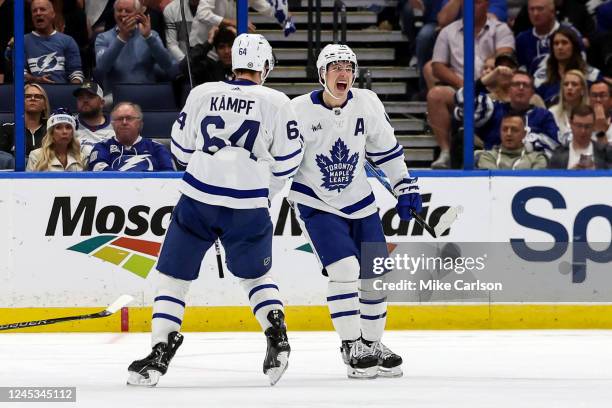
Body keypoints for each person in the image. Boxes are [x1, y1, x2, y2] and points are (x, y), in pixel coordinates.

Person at [126, 33, 303, 387]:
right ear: (264, 67)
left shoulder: (202, 92)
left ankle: (161, 351)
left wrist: (211, 169)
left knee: (173, 279)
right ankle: (276, 334)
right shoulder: (278, 101)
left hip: (198, 201)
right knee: (255, 278)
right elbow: (288, 160)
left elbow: (179, 148)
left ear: (233, 63)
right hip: (248, 205)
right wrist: (259, 190)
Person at [288, 44, 422, 379]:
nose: (342, 73)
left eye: (348, 67)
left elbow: (386, 149)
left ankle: (373, 344)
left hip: (360, 201)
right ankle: (351, 345)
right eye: (335, 67)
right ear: (322, 74)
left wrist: (404, 185)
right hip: (316, 202)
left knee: (374, 274)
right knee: (345, 269)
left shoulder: (367, 103)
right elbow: (281, 161)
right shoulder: (297, 111)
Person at [426, 0, 514, 168]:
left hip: (495, 88)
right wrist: (466, 87)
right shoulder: (448, 32)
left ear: (487, 4)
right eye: (468, 3)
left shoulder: (500, 29)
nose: (472, 6)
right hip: (460, 88)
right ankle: (445, 152)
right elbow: (437, 66)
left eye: (477, 2)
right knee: (436, 95)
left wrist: (489, 75)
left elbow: (505, 59)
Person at [94, 0, 179, 94]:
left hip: (145, 94)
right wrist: (121, 38)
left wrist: (149, 37)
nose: (123, 14)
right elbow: (101, 68)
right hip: (115, 96)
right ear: (114, 13)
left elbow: (167, 65)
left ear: (138, 14)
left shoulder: (151, 35)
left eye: (128, 11)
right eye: (119, 10)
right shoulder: (103, 38)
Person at [88, 102, 173, 171]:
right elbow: (98, 171)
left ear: (140, 123)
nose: (124, 122)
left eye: (129, 118)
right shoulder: (102, 147)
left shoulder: (157, 148)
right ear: (113, 125)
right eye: (120, 119)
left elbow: (169, 176)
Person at [188, 0, 295, 48]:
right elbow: (202, 14)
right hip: (201, 45)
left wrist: (285, 15)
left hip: (222, 49)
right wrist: (232, 22)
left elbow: (268, 9)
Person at [25, 0, 84, 84]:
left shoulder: (68, 41)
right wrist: (36, 80)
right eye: (34, 11)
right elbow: (19, 73)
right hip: (33, 93)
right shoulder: (22, 42)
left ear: (53, 14)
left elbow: (76, 73)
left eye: (42, 9)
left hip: (61, 93)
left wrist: (72, 92)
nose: (38, 13)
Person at [549, 104, 612, 169]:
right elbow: (552, 178)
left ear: (593, 125)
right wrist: (571, 174)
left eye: (587, 126)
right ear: (571, 123)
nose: (583, 131)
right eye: (579, 126)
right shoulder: (558, 155)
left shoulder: (606, 153)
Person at [477, 112, 548, 169]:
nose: (509, 134)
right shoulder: (488, 157)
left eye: (514, 130)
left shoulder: (537, 159)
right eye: (505, 129)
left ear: (524, 133)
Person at [0, 83, 51, 159]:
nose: (32, 98)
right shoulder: (7, 129)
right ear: (20, 103)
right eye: (27, 96)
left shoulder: (51, 130)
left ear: (44, 105)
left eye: (37, 96)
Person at [73, 81, 115, 160]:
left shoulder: (117, 125)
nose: (85, 100)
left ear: (102, 103)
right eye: (80, 97)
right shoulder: (69, 125)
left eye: (90, 96)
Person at [548, 70, 589, 144]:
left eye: (574, 84)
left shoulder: (590, 114)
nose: (569, 88)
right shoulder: (552, 113)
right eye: (566, 84)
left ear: (582, 90)